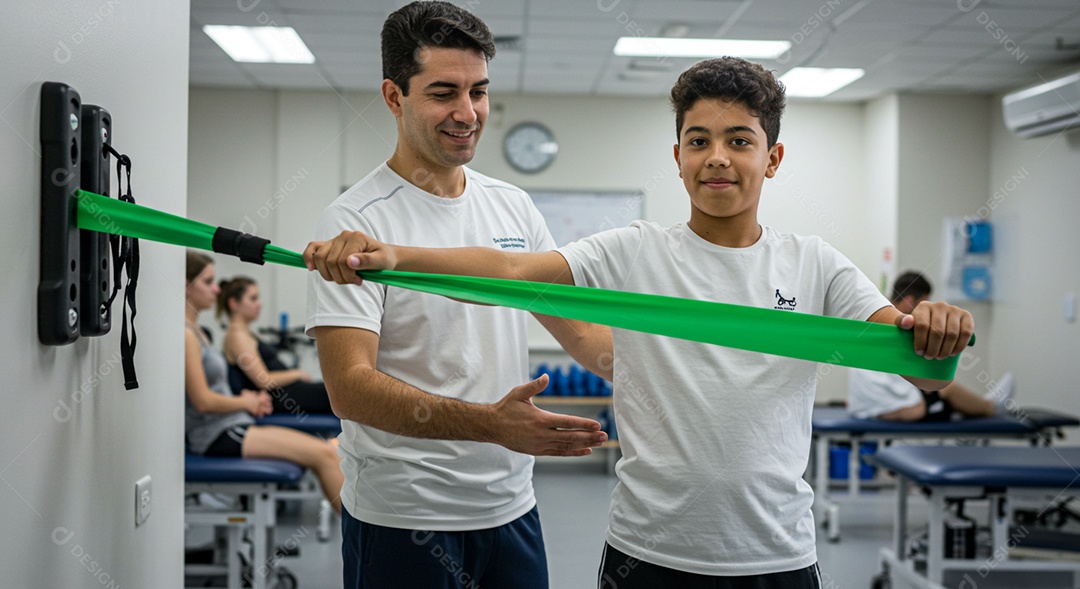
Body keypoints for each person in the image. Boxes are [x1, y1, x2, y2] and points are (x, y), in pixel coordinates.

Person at [305, 57, 975, 588]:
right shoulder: (632, 250)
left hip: (777, 553)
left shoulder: (815, 263)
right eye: (699, 139)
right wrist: (393, 255)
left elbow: (912, 356)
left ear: (772, 157)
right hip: (647, 553)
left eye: (739, 140)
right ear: (677, 155)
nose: (717, 156)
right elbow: (508, 272)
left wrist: (936, 325)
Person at [303, 3, 612, 588]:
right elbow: (349, 389)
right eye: (444, 93)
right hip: (403, 519)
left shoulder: (512, 206)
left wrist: (706, 361)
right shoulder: (354, 220)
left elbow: (586, 338)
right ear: (394, 97)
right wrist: (491, 425)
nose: (467, 113)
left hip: (511, 509)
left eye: (479, 91)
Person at [185, 251, 343, 512]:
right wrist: (246, 401)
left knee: (327, 451)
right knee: (325, 454)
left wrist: (248, 402)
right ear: (186, 285)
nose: (216, 290)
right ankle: (360, 541)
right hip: (217, 435)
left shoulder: (200, 333)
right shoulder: (187, 335)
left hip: (234, 424)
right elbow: (202, 401)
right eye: (208, 282)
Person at [847, 270, 1014, 421]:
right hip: (898, 409)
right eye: (924, 303)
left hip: (861, 408)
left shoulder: (872, 318)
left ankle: (989, 405)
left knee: (937, 388)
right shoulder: (896, 330)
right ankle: (992, 407)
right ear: (909, 301)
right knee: (945, 387)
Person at [217, 276, 333, 415]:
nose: (259, 304)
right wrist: (297, 374)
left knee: (336, 389)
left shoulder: (246, 333)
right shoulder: (237, 337)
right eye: (253, 299)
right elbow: (263, 380)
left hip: (289, 392)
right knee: (338, 394)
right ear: (234, 303)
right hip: (283, 398)